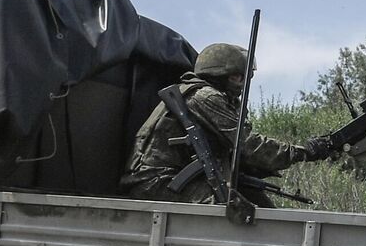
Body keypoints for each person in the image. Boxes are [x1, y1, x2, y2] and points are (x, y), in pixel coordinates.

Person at [123, 42, 337, 203]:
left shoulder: (215, 98)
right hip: (156, 183)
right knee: (229, 211)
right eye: (237, 77)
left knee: (254, 202)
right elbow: (249, 145)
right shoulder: (206, 97)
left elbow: (240, 156)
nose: (242, 84)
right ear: (219, 75)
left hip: (169, 182)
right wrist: (305, 152)